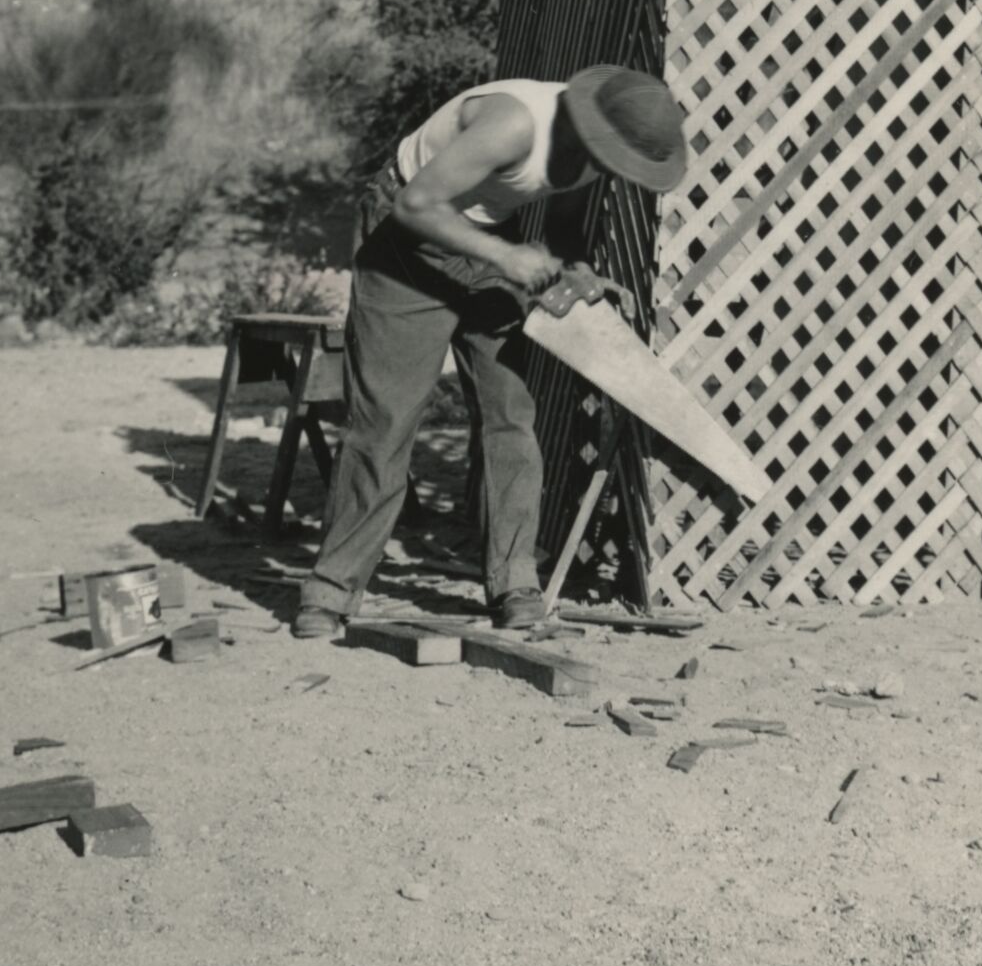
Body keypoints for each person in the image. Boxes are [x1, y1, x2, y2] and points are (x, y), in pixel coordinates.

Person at [290, 65, 689, 639]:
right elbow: (416, 204)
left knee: (511, 415)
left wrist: (576, 274)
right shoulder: (514, 124)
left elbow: (562, 230)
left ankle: (514, 582)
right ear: (594, 127)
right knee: (387, 420)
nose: (615, 172)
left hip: (482, 242)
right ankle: (330, 590)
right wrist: (504, 260)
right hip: (405, 238)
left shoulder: (589, 152)